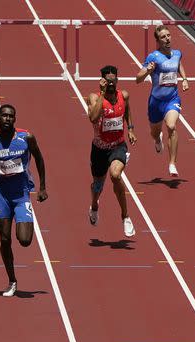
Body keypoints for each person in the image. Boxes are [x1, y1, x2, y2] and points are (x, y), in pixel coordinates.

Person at [0, 104, 47, 298]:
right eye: (4, 116)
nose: (7, 119)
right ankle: (12, 280)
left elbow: (40, 159)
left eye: (11, 116)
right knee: (4, 238)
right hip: (2, 194)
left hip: (21, 193)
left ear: (15, 119)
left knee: (25, 240)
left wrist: (42, 187)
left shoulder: (26, 137)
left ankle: (25, 217)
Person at [87, 65, 137, 238]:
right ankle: (94, 205)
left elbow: (128, 110)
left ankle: (125, 216)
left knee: (115, 175)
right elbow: (93, 117)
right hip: (99, 149)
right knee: (98, 186)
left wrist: (130, 128)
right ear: (102, 81)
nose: (111, 83)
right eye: (107, 81)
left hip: (118, 145)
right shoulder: (94, 97)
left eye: (113, 80)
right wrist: (102, 94)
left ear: (117, 80)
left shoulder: (123, 95)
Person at [135, 24, 189, 177]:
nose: (167, 39)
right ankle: (157, 140)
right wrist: (148, 70)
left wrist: (184, 79)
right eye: (163, 37)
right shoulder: (153, 57)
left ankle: (172, 163)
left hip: (172, 98)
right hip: (156, 102)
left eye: (168, 35)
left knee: (171, 126)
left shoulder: (177, 53)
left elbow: (178, 65)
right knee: (155, 133)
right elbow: (137, 79)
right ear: (158, 41)